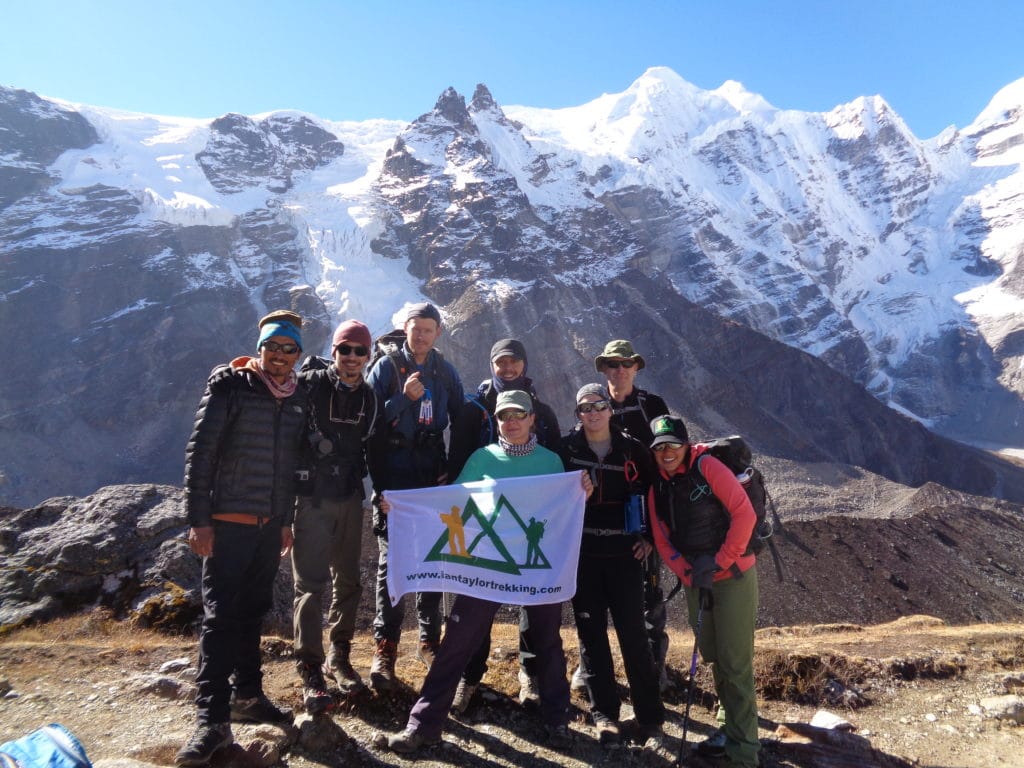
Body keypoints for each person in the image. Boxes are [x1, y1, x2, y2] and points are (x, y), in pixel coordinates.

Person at [383, 390, 592, 755]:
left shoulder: (551, 462)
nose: (511, 422)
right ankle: (423, 725)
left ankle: (557, 721)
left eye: (519, 414)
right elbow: (452, 503)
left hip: (535, 568)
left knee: (547, 641)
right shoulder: (482, 458)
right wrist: (401, 507)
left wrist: (581, 491)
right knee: (458, 641)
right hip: (487, 565)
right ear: (496, 422)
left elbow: (561, 509)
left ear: (532, 419)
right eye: (503, 416)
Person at [176, 310, 309, 767]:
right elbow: (201, 454)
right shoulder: (230, 386)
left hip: (269, 526)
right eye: (273, 346)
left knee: (253, 610)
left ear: (298, 354)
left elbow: (289, 466)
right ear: (261, 348)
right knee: (220, 618)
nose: (280, 355)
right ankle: (211, 721)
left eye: (288, 348)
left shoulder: (296, 397)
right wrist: (199, 520)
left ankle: (248, 696)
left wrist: (285, 520)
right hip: (227, 521)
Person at [447, 338, 562, 712]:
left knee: (532, 600)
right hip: (485, 527)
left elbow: (557, 466)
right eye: (501, 362)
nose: (508, 368)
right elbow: (459, 462)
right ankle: (469, 678)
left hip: (530, 524)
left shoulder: (542, 412)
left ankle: (531, 674)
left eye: (514, 362)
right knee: (478, 601)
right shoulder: (474, 410)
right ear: (492, 365)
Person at [646, 415, 760, 768]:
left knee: (735, 663)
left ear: (686, 445)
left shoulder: (708, 467)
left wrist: (720, 562)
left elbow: (744, 515)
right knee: (713, 653)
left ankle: (744, 755)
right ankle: (728, 728)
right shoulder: (657, 485)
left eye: (672, 445)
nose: (666, 452)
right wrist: (689, 573)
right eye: (659, 447)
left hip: (733, 577)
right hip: (698, 580)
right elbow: (662, 539)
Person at [365, 302, 465, 690]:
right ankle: (385, 648)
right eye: (415, 328)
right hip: (394, 475)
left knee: (432, 556)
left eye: (428, 329)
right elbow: (368, 422)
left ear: (438, 332)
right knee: (392, 560)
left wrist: (453, 470)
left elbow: (462, 420)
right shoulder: (386, 368)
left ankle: (429, 641)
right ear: (405, 329)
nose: (421, 335)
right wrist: (403, 399)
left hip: (431, 474)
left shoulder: (445, 371)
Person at [559, 384, 665, 747]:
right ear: (578, 414)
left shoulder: (634, 449)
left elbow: (655, 495)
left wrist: (650, 538)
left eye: (598, 405)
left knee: (634, 636)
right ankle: (604, 715)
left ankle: (650, 717)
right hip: (583, 557)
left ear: (610, 409)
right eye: (584, 408)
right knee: (591, 638)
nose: (592, 413)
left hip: (625, 557)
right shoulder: (565, 450)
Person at [290, 319, 386, 712]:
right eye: (345, 349)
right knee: (310, 585)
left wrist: (382, 491)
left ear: (368, 356)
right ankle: (310, 667)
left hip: (349, 497)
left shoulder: (370, 399)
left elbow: (374, 449)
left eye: (359, 351)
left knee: (348, 580)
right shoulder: (308, 385)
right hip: (311, 498)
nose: (352, 357)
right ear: (334, 351)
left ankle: (339, 655)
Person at [594, 339, 672, 692]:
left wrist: (655, 531)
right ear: (604, 369)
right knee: (598, 595)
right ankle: (594, 665)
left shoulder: (652, 406)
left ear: (636, 367)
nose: (620, 370)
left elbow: (669, 458)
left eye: (626, 363)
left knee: (649, 594)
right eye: (613, 364)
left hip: (645, 510)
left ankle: (654, 667)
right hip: (603, 513)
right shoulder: (595, 405)